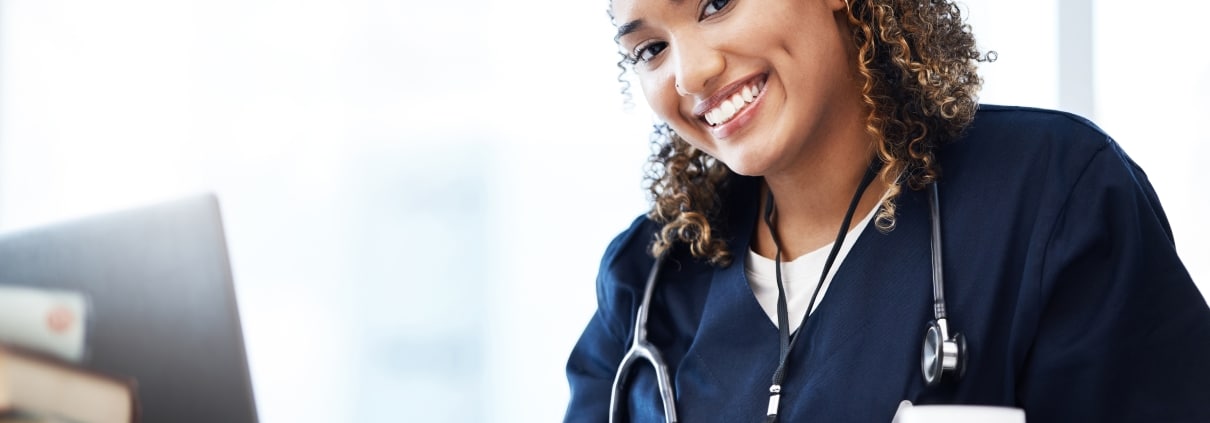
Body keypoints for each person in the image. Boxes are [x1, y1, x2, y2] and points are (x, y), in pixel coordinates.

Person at [563, 0, 1210, 421]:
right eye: (649, 50)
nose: (691, 73)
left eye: (716, 4)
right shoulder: (646, 281)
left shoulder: (1053, 197)